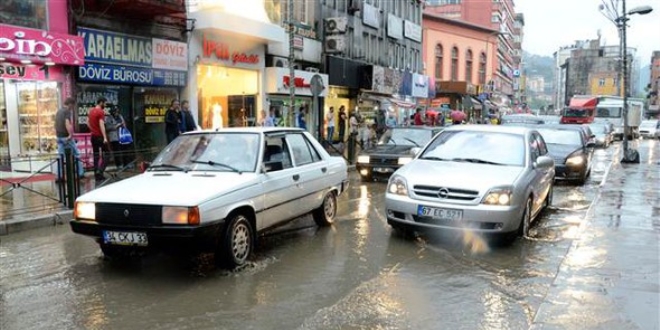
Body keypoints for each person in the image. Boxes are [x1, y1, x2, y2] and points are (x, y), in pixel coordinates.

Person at [54, 97, 84, 180]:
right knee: (77, 154)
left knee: (60, 157)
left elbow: (55, 124)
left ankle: (59, 176)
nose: (73, 107)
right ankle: (80, 173)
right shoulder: (67, 111)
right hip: (66, 137)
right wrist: (71, 135)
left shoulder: (58, 111)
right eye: (73, 105)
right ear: (70, 104)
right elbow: (67, 123)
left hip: (59, 137)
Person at [88, 97, 110, 181]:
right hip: (99, 136)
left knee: (96, 155)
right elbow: (101, 125)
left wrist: (92, 130)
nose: (105, 105)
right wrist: (104, 137)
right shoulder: (100, 112)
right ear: (101, 102)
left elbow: (87, 122)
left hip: (93, 136)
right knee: (107, 153)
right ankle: (100, 172)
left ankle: (96, 174)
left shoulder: (91, 111)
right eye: (104, 103)